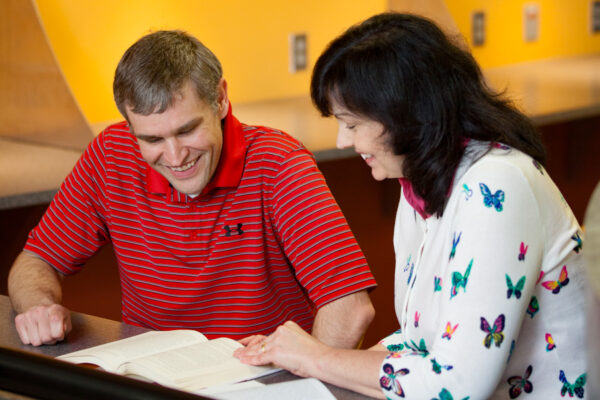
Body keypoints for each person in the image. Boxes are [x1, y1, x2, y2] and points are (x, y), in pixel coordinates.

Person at [235, 12, 588, 399]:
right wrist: (300, 358)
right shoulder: (420, 183)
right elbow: (422, 343)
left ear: (405, 116)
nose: (341, 141)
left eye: (351, 125)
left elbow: (454, 387)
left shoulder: (497, 186)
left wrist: (316, 358)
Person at [7, 30, 376, 348]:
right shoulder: (111, 154)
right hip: (147, 379)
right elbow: (35, 262)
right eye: (152, 138)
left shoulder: (279, 164)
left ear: (220, 99)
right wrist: (37, 306)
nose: (175, 156)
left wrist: (305, 382)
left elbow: (349, 307)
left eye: (186, 130)